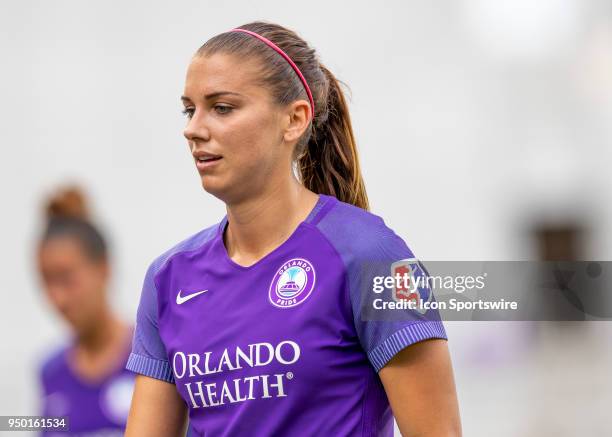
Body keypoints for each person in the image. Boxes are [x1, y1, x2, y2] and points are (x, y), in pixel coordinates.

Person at [125, 21, 461, 436]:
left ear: (295, 119)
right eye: (189, 108)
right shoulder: (168, 278)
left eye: (222, 107)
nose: (193, 128)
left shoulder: (372, 256)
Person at [36, 186, 135, 436]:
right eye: (47, 281)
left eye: (66, 278)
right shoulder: (50, 373)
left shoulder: (153, 359)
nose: (58, 298)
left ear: (103, 268)